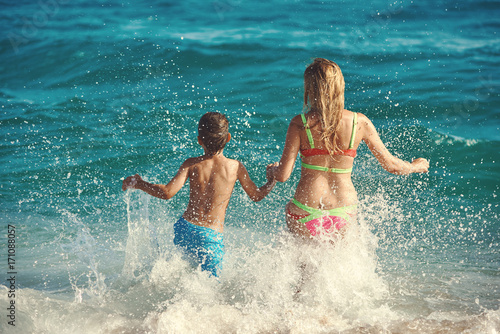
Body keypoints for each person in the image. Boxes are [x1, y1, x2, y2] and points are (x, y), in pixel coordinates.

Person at [270, 58, 429, 240]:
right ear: (339, 87)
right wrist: (415, 166)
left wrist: (273, 171)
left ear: (310, 89)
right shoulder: (359, 122)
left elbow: (283, 175)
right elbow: (392, 165)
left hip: (306, 208)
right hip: (343, 211)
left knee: (304, 266)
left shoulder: (300, 123)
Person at [122, 112, 277, 277]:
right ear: (228, 138)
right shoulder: (235, 167)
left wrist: (140, 183)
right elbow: (256, 195)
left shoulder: (191, 164)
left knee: (185, 276)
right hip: (210, 237)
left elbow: (167, 193)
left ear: (199, 140)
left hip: (184, 228)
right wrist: (272, 180)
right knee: (210, 287)